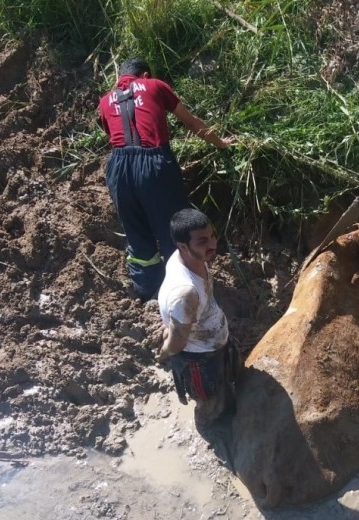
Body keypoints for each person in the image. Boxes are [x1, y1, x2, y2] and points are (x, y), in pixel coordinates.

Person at [99, 56, 235, 301]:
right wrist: (221, 143)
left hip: (118, 168)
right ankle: (186, 294)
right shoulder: (154, 85)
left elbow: (114, 133)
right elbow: (192, 122)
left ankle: (148, 292)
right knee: (173, 229)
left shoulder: (105, 101)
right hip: (154, 165)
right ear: (145, 75)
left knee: (136, 231)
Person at [156, 208, 240, 428]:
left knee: (228, 386)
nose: (213, 244)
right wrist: (164, 353)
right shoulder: (186, 293)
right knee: (210, 404)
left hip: (213, 345)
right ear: (183, 246)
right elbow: (177, 341)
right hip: (200, 361)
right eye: (203, 241)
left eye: (212, 236)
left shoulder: (188, 259)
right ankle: (212, 432)